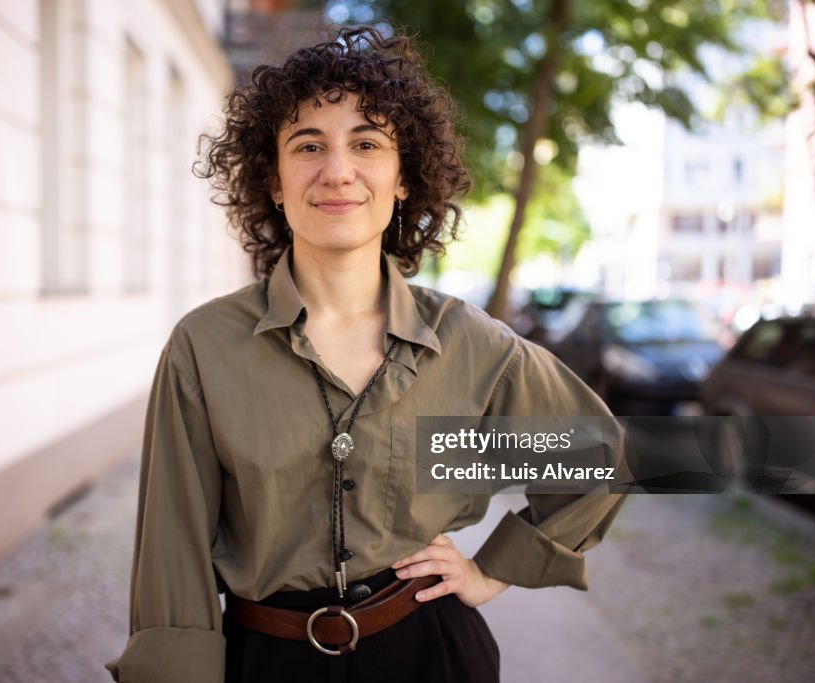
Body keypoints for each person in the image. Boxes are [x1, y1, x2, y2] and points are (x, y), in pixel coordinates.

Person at [106, 25, 624, 683]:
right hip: (264, 661)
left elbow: (592, 453)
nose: (338, 170)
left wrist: (493, 567)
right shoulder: (204, 348)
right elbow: (170, 554)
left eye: (367, 143)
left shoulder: (470, 344)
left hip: (431, 654)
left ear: (404, 177)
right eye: (309, 145)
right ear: (273, 179)